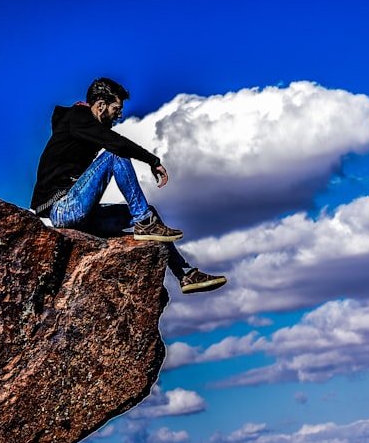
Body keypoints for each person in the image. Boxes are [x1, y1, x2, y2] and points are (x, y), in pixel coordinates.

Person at [30, 77, 226, 293]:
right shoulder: (78, 117)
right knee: (116, 155)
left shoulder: (81, 127)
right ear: (101, 106)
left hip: (82, 216)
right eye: (117, 108)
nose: (120, 114)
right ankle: (143, 220)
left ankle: (185, 274)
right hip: (61, 209)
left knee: (149, 213)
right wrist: (153, 161)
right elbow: (116, 143)